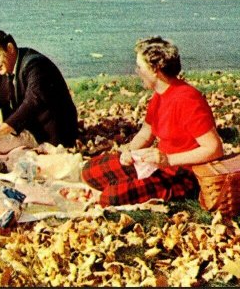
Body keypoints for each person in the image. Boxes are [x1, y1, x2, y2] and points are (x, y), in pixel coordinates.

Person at [82, 36, 224, 206]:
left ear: (155, 69)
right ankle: (129, 182)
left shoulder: (187, 100)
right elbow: (146, 133)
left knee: (110, 197)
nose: (137, 72)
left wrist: (168, 160)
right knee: (90, 171)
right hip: (157, 163)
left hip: (185, 173)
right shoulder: (159, 95)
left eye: (140, 67)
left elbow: (214, 149)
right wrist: (129, 151)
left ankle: (127, 186)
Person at [0, 30, 78, 152]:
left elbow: (31, 105)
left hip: (43, 133)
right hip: (22, 124)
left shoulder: (35, 65)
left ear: (10, 48)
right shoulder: (0, 69)